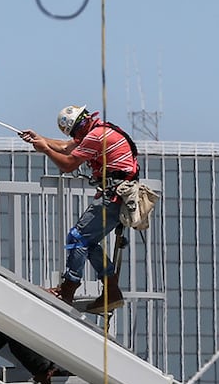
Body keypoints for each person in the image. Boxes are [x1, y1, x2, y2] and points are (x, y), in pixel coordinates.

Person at [19, 104, 141, 313]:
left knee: (77, 237)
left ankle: (67, 289)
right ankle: (111, 290)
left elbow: (67, 164)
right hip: (118, 195)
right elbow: (68, 147)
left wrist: (45, 148)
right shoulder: (100, 131)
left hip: (114, 196)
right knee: (89, 242)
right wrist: (41, 139)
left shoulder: (96, 136)